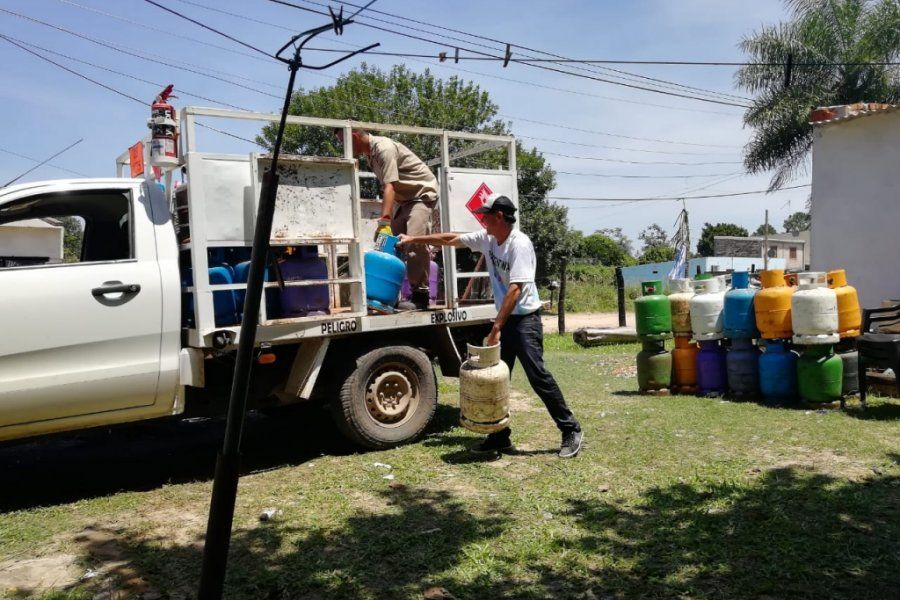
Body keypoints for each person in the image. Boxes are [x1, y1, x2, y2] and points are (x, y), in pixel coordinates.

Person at [397, 193, 583, 458]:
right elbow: (450, 239)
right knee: (494, 377)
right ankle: (499, 437)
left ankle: (571, 429)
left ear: (499, 216)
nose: (482, 219)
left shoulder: (519, 244)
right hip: (506, 320)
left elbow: (516, 289)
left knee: (537, 376)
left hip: (525, 322)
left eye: (486, 215)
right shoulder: (489, 239)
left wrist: (496, 328)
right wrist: (413, 239)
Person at [336, 128, 437, 310]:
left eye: (344, 142)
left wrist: (384, 221)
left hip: (421, 194)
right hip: (405, 199)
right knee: (391, 243)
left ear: (354, 136)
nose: (343, 147)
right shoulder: (370, 155)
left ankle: (421, 296)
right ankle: (388, 293)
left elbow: (390, 186)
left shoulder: (384, 149)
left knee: (414, 241)